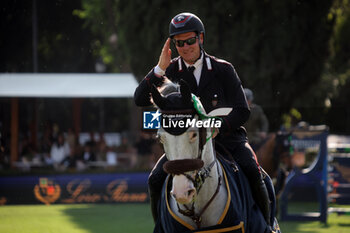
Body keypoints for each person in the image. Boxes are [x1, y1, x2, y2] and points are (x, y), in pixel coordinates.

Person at [134, 12, 271, 226]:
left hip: (227, 140)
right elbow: (140, 98)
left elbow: (242, 111)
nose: (186, 46)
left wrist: (216, 127)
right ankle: (161, 228)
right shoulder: (169, 71)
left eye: (190, 40)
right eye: (179, 43)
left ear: (201, 38)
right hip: (184, 146)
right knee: (155, 180)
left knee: (254, 171)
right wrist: (160, 67)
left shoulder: (223, 69)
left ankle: (268, 226)